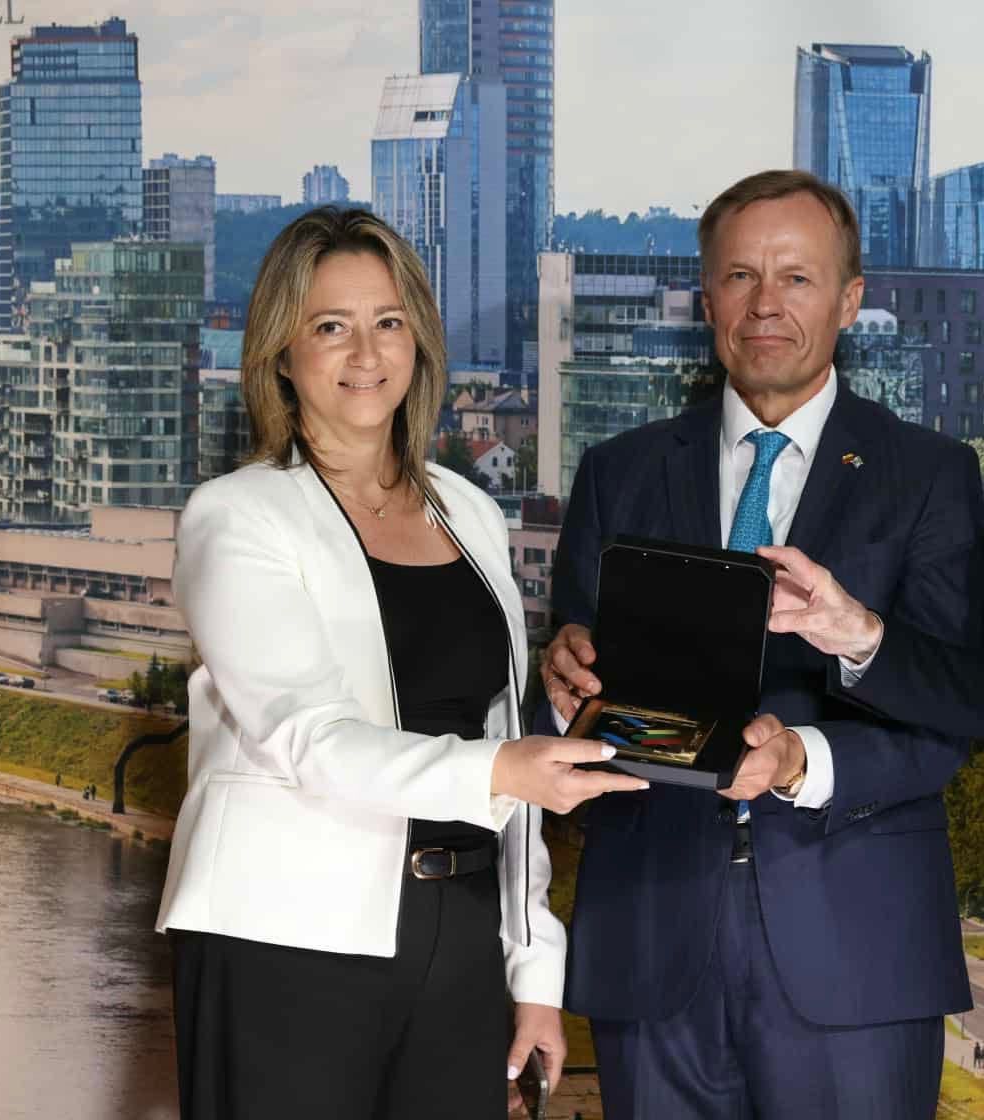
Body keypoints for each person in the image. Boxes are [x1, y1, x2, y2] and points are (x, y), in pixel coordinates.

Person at [155, 207, 647, 1120]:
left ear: (417, 336)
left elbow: (504, 735)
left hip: (458, 938)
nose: (365, 352)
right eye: (329, 326)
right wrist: (501, 770)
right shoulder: (237, 516)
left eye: (387, 321)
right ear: (279, 352)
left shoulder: (469, 509)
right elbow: (304, 735)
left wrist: (534, 967)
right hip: (285, 941)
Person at [544, 170, 984, 1119]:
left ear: (849, 300)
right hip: (649, 938)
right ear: (707, 300)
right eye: (740, 277)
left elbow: (956, 704)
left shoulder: (930, 477)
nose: (765, 304)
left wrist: (806, 741)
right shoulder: (617, 472)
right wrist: (562, 676)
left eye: (796, 277)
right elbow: (583, 691)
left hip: (856, 954)